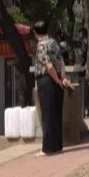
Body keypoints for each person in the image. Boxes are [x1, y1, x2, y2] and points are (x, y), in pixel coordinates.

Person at [33, 20, 74, 155]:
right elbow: (61, 62)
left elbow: (49, 66)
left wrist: (56, 80)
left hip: (46, 81)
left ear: (35, 33)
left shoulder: (41, 46)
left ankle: (48, 148)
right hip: (57, 80)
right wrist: (62, 78)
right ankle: (57, 145)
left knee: (47, 114)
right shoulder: (54, 43)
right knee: (56, 113)